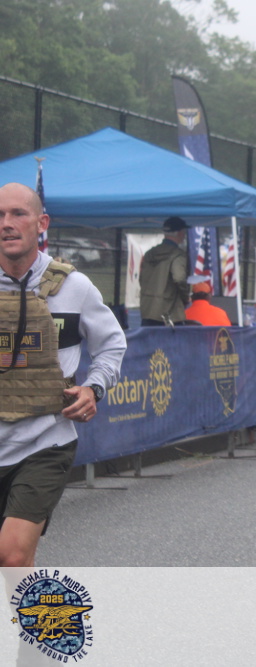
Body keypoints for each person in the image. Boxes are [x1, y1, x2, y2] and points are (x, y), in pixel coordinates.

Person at [0, 182, 126, 567]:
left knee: (12, 555)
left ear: (42, 223)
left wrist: (93, 388)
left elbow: (111, 344)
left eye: (18, 214)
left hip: (45, 441)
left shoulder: (74, 287)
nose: (6, 223)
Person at [139, 216, 190, 326]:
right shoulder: (178, 255)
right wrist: (186, 297)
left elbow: (141, 279)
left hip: (148, 310)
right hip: (170, 314)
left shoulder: (149, 254)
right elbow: (179, 278)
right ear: (180, 233)